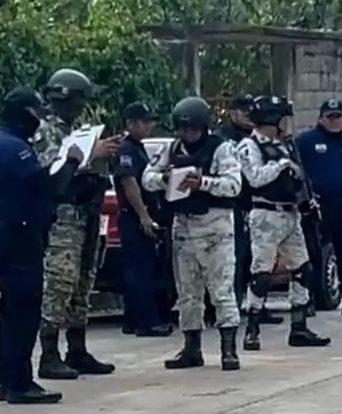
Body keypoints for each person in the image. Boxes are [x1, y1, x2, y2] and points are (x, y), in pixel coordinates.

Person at [0, 87, 71, 405]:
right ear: (25, 114)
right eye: (36, 113)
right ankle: (19, 383)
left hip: (8, 232)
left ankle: (5, 381)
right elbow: (44, 185)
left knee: (12, 311)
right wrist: (72, 163)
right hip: (18, 234)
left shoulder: (0, 139)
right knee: (24, 311)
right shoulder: (12, 146)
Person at [141, 96, 242, 372]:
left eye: (192, 129)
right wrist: (166, 179)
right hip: (183, 225)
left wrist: (203, 184)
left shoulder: (221, 149)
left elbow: (234, 185)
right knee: (188, 292)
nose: (187, 134)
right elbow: (147, 178)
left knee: (221, 290)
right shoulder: (172, 149)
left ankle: (229, 349)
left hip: (215, 225)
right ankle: (191, 347)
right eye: (183, 129)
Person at [33, 68, 121, 380]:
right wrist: (89, 155)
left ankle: (77, 348)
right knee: (60, 282)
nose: (81, 108)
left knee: (84, 283)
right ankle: (49, 353)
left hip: (87, 214)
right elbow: (53, 171)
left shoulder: (78, 130)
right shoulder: (46, 131)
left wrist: (103, 155)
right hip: (63, 218)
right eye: (78, 101)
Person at [237, 95, 331, 351]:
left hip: (290, 213)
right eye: (283, 118)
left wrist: (306, 201)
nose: (287, 124)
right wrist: (281, 165)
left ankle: (299, 327)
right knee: (262, 274)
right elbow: (255, 178)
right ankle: (252, 330)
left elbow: (297, 178)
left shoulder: (285, 145)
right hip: (265, 214)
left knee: (303, 269)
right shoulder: (249, 146)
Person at [212, 93, 283, 326]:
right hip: (231, 206)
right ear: (232, 113)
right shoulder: (222, 140)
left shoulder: (256, 139)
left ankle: (256, 307)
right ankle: (229, 309)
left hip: (253, 206)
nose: (249, 116)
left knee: (257, 260)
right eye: (244, 111)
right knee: (234, 259)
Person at [296, 99, 342, 316]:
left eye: (338, 116)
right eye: (330, 117)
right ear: (321, 118)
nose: (335, 121)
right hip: (316, 205)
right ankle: (309, 301)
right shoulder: (305, 141)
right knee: (313, 255)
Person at [113, 101, 172, 337]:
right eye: (144, 122)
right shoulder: (126, 149)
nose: (149, 126)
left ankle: (132, 319)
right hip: (133, 217)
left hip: (138, 216)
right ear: (131, 123)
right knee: (140, 272)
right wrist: (144, 216)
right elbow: (129, 183)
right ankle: (145, 322)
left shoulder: (137, 148)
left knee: (141, 269)